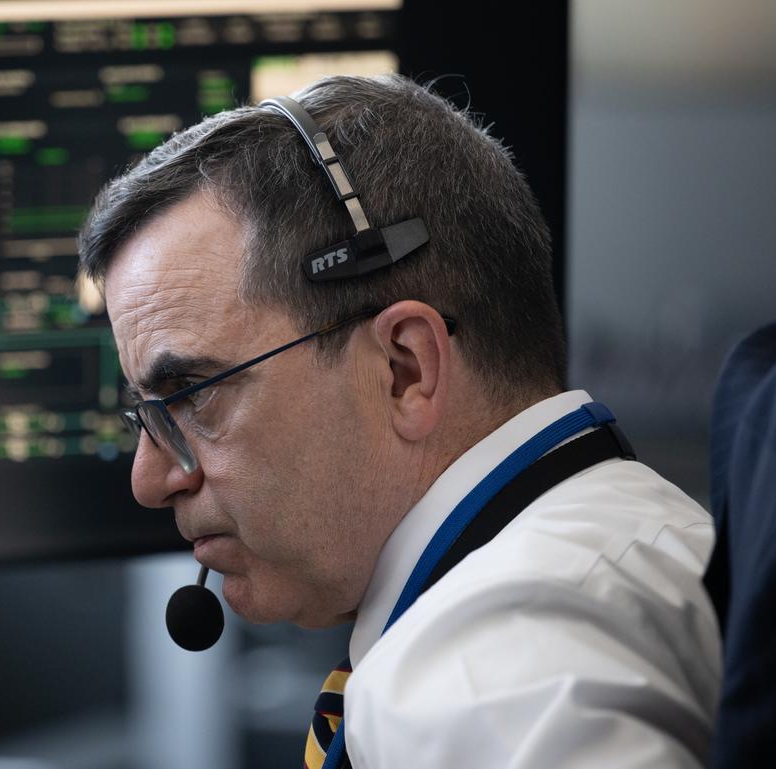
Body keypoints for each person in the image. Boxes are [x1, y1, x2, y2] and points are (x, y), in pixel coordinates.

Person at [78, 75, 720, 768]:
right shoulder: (630, 542)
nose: (149, 477)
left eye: (191, 392)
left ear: (405, 368)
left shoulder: (482, 671)